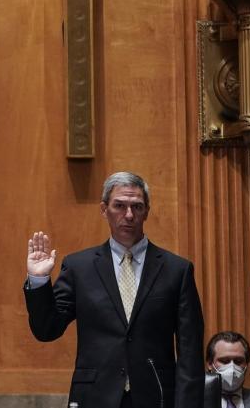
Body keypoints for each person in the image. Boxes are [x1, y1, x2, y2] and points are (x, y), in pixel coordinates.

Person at [24, 171, 204, 408]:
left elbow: (190, 352)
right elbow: (47, 329)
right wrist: (39, 281)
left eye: (137, 207)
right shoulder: (80, 267)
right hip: (96, 397)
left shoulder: (176, 270)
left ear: (147, 211)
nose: (128, 215)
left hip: (156, 397)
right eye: (119, 205)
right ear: (104, 209)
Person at [207, 331, 250, 407]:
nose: (232, 367)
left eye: (238, 361)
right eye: (224, 361)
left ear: (247, 364)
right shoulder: (193, 399)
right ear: (210, 364)